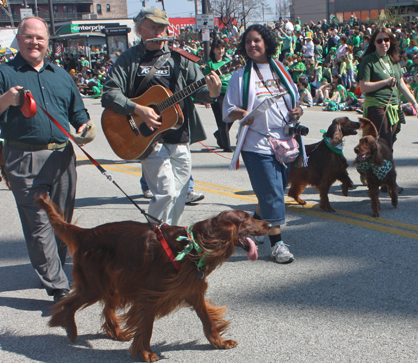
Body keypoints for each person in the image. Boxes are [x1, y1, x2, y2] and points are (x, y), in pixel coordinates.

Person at [0, 16, 91, 304]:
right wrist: (5, 100)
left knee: (61, 221)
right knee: (38, 222)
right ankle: (57, 286)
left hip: (62, 156)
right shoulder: (3, 74)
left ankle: (54, 269)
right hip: (23, 157)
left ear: (48, 42)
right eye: (28, 37)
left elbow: (78, 113)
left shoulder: (61, 75)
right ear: (18, 40)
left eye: (40, 38)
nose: (34, 42)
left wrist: (83, 128)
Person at [101, 7, 221, 226]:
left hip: (179, 135)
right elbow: (109, 94)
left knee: (180, 195)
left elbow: (202, 93)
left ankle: (170, 238)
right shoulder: (129, 59)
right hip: (148, 137)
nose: (159, 31)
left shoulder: (181, 58)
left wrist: (213, 92)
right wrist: (138, 109)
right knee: (165, 193)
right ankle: (155, 238)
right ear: (140, 29)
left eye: (162, 27)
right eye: (153, 27)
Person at [223, 24, 303, 264]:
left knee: (272, 192)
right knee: (272, 193)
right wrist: (246, 114)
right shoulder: (240, 76)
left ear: (267, 43)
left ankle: (246, 230)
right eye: (247, 41)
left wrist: (298, 111)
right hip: (256, 145)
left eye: (256, 40)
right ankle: (277, 244)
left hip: (285, 143)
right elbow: (228, 110)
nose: (252, 45)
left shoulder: (282, 71)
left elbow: (294, 102)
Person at [357, 27, 418, 192]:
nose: (383, 43)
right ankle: (388, 183)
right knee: (385, 145)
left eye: (386, 40)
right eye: (379, 40)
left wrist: (414, 102)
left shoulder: (394, 60)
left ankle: (367, 169)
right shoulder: (369, 60)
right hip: (376, 106)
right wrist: (385, 82)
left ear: (391, 42)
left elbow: (401, 84)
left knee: (387, 145)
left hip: (393, 107)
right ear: (374, 43)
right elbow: (363, 87)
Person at [203, 37, 234, 152]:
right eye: (218, 48)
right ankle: (226, 145)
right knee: (222, 120)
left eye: (222, 48)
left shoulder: (227, 61)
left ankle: (219, 134)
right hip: (217, 94)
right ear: (213, 50)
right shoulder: (210, 64)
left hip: (230, 93)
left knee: (232, 116)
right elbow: (205, 81)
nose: (221, 51)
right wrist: (206, 97)